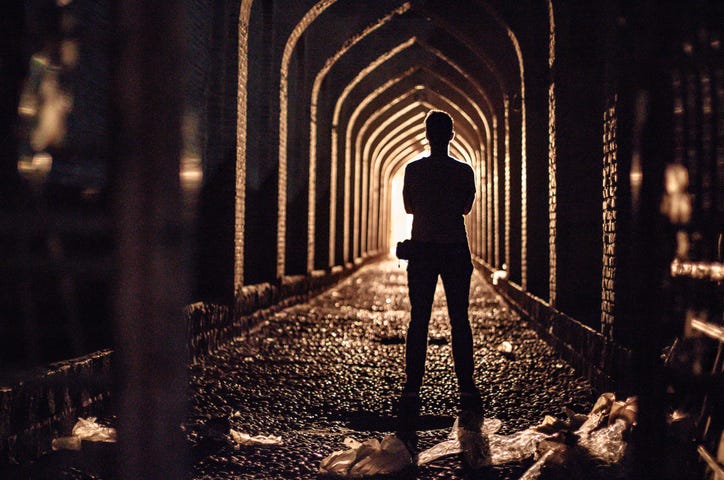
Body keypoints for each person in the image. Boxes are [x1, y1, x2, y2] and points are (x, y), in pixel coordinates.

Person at [397, 110, 482, 444]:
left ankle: (411, 390)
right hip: (454, 250)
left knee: (419, 320)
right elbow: (465, 207)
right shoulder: (463, 171)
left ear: (426, 136)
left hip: (422, 250)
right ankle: (467, 389)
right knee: (459, 319)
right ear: (452, 136)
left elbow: (408, 207)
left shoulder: (414, 170)